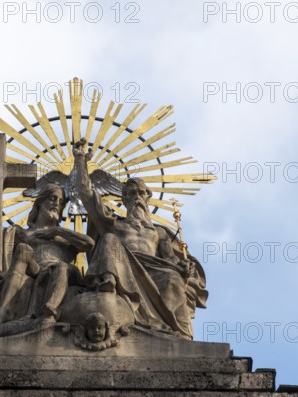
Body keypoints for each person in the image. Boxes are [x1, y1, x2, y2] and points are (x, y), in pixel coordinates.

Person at [73, 140, 208, 339]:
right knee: (109, 239)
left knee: (172, 279)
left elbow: (169, 259)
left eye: (140, 193)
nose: (136, 197)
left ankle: (175, 332)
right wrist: (80, 161)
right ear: (124, 200)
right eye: (131, 194)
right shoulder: (114, 224)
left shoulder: (160, 232)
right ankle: (108, 282)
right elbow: (87, 196)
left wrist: (182, 268)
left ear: (147, 198)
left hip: (154, 269)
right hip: (123, 267)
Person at [0, 181, 94, 328]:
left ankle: (51, 309)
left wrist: (56, 231)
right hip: (37, 271)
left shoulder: (63, 238)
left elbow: (89, 243)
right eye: (52, 198)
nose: (56, 204)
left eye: (60, 202)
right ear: (39, 203)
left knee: (61, 267)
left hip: (64, 272)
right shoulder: (24, 234)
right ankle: (3, 312)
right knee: (23, 248)